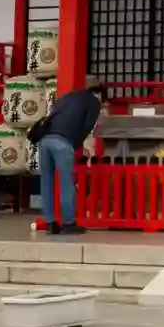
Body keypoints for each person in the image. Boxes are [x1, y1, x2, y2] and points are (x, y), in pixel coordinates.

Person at [32, 84, 103, 235]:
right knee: (66, 184)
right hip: (63, 143)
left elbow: (51, 115)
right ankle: (69, 224)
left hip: (45, 141)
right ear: (99, 95)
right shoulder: (94, 101)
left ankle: (50, 223)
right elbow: (88, 125)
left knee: (46, 182)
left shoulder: (67, 97)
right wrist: (76, 144)